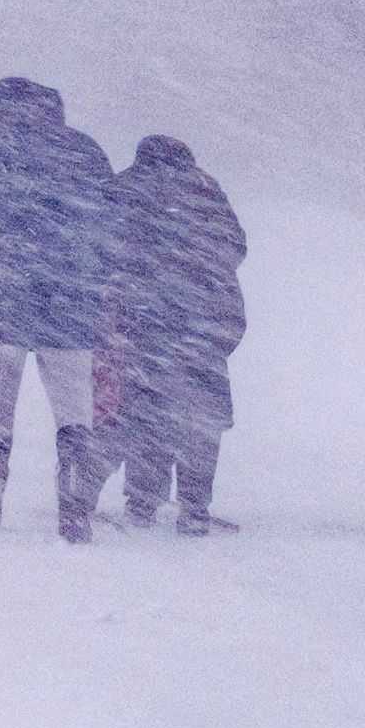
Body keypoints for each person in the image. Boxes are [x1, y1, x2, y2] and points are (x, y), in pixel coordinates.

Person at [0, 76, 117, 542]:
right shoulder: (85, 151)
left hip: (4, 296)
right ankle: (74, 510)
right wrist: (109, 298)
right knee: (74, 409)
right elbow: (112, 232)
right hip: (71, 300)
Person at [98, 133, 246, 535]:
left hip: (144, 321)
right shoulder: (205, 189)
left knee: (146, 410)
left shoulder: (125, 187)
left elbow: (101, 250)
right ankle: (195, 509)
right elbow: (236, 247)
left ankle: (142, 503)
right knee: (201, 418)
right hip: (206, 322)